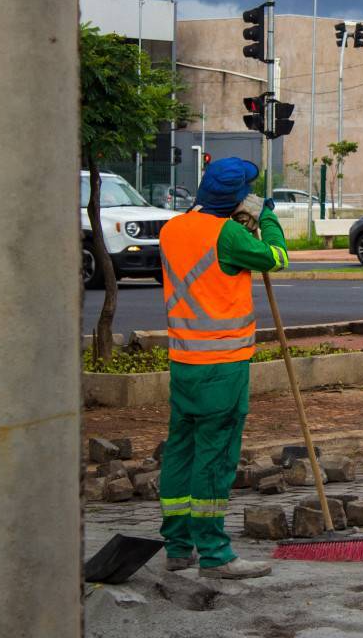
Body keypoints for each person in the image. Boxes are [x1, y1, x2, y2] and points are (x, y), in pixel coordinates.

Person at [157, 157, 289, 579]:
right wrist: (266, 218)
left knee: (181, 451)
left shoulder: (171, 229)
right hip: (223, 366)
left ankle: (178, 547)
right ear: (234, 198)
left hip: (184, 363)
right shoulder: (229, 235)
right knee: (215, 458)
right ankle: (215, 554)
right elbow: (277, 257)